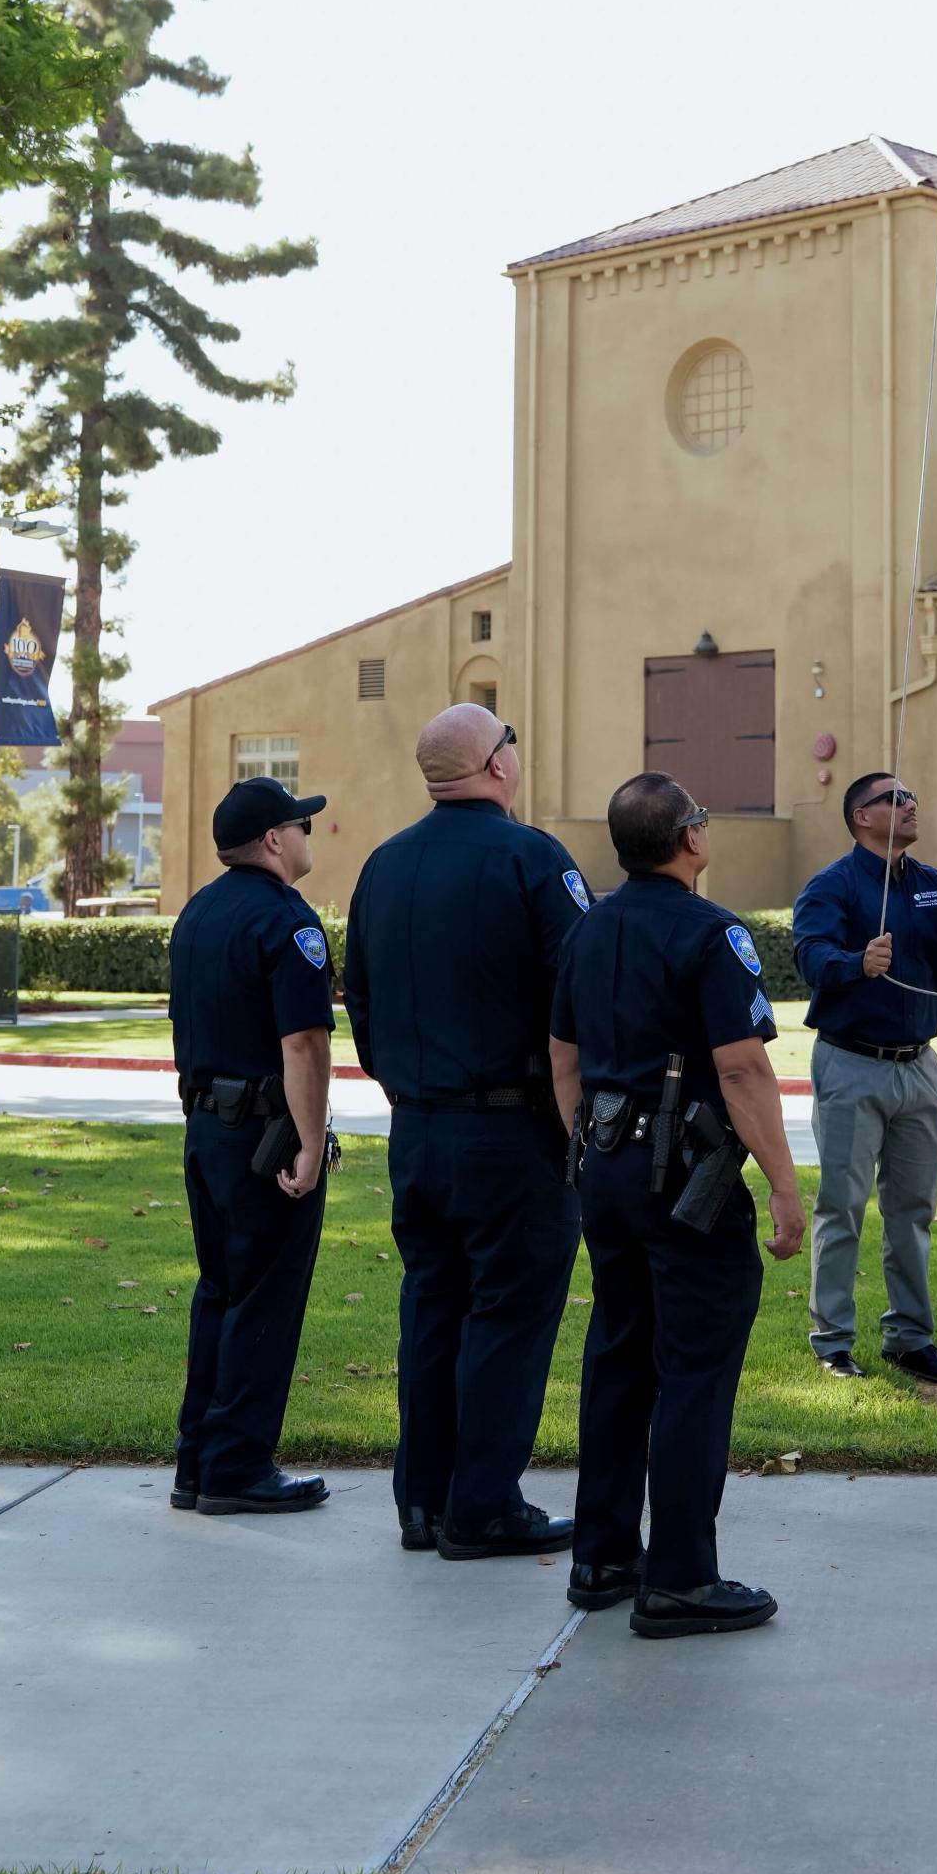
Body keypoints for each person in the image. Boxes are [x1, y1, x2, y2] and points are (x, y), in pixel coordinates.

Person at [550, 773, 806, 1641]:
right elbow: (740, 1068)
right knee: (694, 1365)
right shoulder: (712, 930)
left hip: (608, 1166)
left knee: (620, 1353)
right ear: (688, 838)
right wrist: (780, 1182)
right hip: (683, 1177)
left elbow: (562, 1058)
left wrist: (588, 1149)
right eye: (701, 817)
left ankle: (603, 1556)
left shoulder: (586, 928)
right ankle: (682, 1579)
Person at [343, 703, 588, 1560]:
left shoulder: (383, 864)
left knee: (432, 1309)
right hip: (512, 1130)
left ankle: (424, 1500)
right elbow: (580, 992)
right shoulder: (533, 858)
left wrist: (411, 1085)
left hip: (417, 1129)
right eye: (510, 741)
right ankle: (482, 1505)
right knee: (508, 1316)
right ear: (495, 765)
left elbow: (360, 1002)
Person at [792, 772, 937, 1384]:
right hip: (850, 1065)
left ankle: (909, 1339)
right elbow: (809, 955)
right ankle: (833, 1342)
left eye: (912, 794)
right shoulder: (832, 886)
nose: (910, 803)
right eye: (893, 798)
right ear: (861, 817)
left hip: (919, 1067)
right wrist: (856, 962)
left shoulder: (932, 886)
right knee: (842, 1207)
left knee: (913, 1211)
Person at [169, 774, 336, 1515]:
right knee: (264, 1297)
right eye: (300, 824)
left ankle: (197, 1463)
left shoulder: (197, 912)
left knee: (220, 1291)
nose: (307, 834)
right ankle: (237, 1465)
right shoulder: (288, 922)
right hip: (264, 1136)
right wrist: (309, 1140)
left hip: (207, 1127)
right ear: (274, 839)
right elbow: (302, 1041)